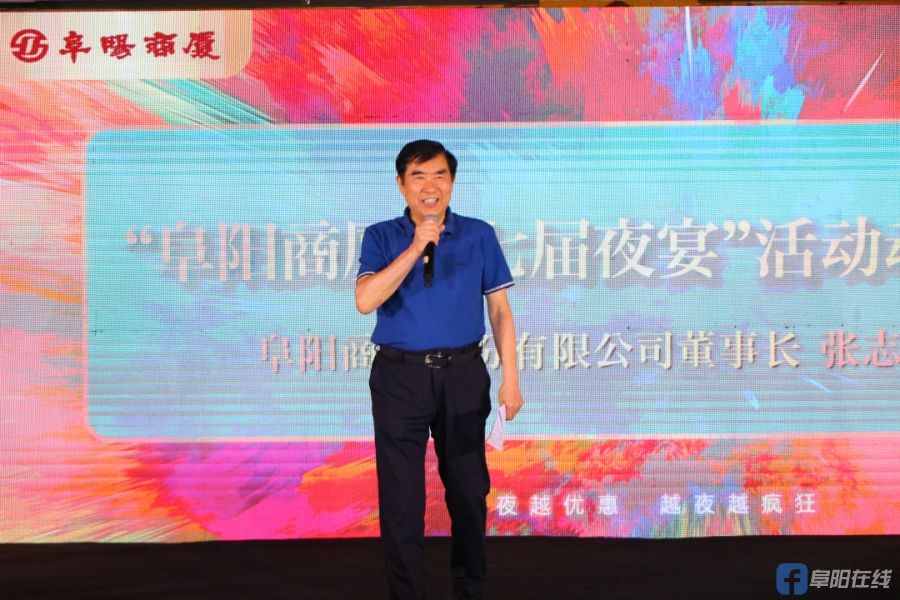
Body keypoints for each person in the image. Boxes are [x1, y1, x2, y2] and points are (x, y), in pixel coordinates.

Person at [355, 140, 524, 600]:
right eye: (418, 176)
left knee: (469, 491)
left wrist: (511, 378)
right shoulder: (381, 236)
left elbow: (500, 310)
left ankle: (470, 587)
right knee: (401, 499)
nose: (430, 187)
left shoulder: (478, 234)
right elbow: (365, 300)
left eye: (439, 176)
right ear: (400, 184)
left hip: (463, 374)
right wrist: (415, 247)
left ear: (452, 182)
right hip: (399, 378)